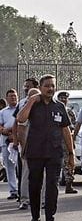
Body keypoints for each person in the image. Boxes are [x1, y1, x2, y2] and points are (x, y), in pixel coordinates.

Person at [15, 75, 74, 221]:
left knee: (52, 186)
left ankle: (50, 220)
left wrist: (71, 152)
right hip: (35, 151)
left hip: (54, 152)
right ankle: (35, 217)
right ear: (40, 88)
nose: (50, 89)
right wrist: (31, 101)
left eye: (52, 86)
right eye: (47, 86)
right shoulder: (33, 104)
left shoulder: (59, 106)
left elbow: (65, 129)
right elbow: (20, 118)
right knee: (35, 185)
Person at [12, 77, 39, 209]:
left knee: (43, 175)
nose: (26, 89)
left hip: (43, 147)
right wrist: (19, 143)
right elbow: (18, 124)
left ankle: (43, 200)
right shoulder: (23, 105)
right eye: (25, 88)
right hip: (27, 146)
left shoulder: (44, 104)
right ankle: (24, 199)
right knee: (26, 172)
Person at [56, 91, 78, 194]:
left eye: (65, 98)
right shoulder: (55, 110)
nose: (63, 100)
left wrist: (71, 139)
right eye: (61, 98)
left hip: (67, 141)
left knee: (69, 163)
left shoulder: (70, 112)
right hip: (55, 141)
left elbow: (73, 126)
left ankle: (69, 184)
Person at [1, 89, 19, 200]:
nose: (13, 98)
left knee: (21, 167)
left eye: (15, 96)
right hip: (6, 142)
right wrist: (5, 131)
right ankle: (13, 190)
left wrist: (15, 133)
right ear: (7, 98)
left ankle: (22, 190)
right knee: (9, 167)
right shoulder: (3, 112)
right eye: (11, 96)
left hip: (19, 141)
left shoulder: (21, 109)